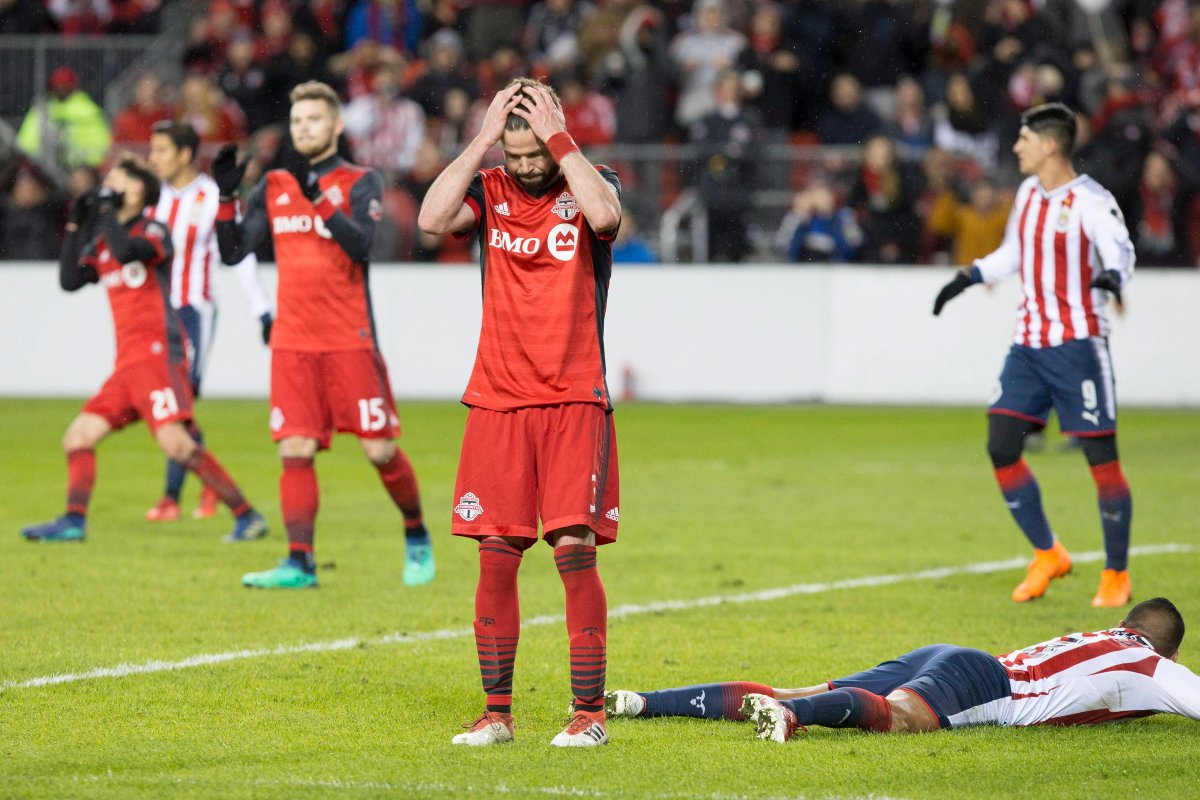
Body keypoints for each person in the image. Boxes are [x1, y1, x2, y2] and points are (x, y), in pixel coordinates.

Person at [417, 77, 622, 747]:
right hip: (498, 398)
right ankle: (497, 715)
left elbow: (606, 220)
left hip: (573, 395)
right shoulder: (490, 188)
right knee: (497, 554)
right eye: (517, 155)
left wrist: (562, 140)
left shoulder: (589, 179)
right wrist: (481, 139)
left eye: (537, 153)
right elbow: (428, 220)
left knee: (572, 548)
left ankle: (588, 715)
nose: (528, 167)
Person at [214, 81, 434, 590]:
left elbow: (360, 245)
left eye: (313, 119)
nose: (303, 128)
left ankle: (415, 530)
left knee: (379, 451)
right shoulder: (273, 185)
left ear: (336, 125)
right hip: (292, 339)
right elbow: (233, 251)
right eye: (296, 121)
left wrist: (313, 192)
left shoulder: (362, 180)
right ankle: (299, 562)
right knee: (295, 449)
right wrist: (227, 197)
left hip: (349, 337)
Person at [932, 103, 1136, 607]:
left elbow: (1120, 249)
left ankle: (1115, 573)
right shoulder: (1026, 192)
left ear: (1049, 145)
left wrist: (1112, 276)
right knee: (1001, 445)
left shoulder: (1091, 200)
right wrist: (968, 276)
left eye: (1024, 139)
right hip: (1028, 344)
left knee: (1101, 461)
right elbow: (1014, 254)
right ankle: (1048, 553)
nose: (1016, 146)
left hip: (1078, 344)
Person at [19, 155, 267, 544]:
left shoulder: (153, 229)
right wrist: (74, 223)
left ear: (136, 189)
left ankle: (246, 515)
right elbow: (69, 279)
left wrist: (102, 212)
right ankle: (73, 521)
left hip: (157, 355)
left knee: (177, 444)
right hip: (126, 364)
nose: (108, 185)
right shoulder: (105, 237)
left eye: (116, 178)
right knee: (77, 437)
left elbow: (126, 252)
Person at [601, 597, 1200, 743]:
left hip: (952, 654)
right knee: (901, 718)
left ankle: (640, 701)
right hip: (990, 685)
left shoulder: (1096, 635)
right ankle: (789, 716)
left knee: (810, 686)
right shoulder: (1152, 666)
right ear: (1166, 650)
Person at [142, 121, 274, 523]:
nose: (154, 158)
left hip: (193, 312)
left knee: (181, 404)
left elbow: (240, 255)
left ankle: (171, 498)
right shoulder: (151, 199)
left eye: (162, 150)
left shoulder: (214, 195)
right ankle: (206, 483)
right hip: (155, 314)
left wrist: (262, 310)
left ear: (184, 154)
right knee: (174, 405)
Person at [16, 66, 112, 168]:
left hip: (80, 166)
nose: (61, 89)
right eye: (58, 86)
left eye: (65, 86)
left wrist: (87, 163)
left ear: (72, 87)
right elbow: (26, 141)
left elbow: (100, 145)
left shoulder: (86, 109)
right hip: (45, 166)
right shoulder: (43, 108)